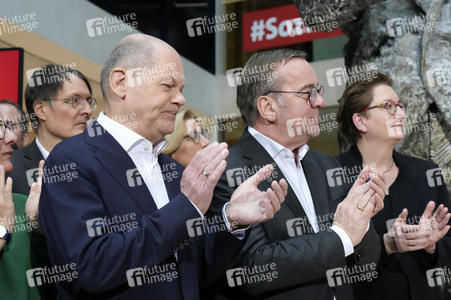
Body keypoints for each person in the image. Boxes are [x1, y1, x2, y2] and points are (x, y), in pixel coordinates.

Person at [38, 34, 288, 299]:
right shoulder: (70, 160)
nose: (180, 99)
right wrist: (187, 206)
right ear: (121, 82)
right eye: (167, 86)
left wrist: (231, 220)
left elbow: (192, 270)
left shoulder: (174, 171)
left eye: (181, 89)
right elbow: (92, 267)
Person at [207, 48, 386, 299]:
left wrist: (362, 221)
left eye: (318, 90)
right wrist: (342, 235)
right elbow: (253, 269)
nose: (320, 102)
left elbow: (364, 266)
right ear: (268, 107)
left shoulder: (328, 167)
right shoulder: (228, 170)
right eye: (307, 93)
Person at [336, 72, 451, 300]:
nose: (401, 114)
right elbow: (330, 255)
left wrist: (431, 245)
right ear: (360, 121)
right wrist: (386, 245)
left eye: (400, 106)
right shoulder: (333, 177)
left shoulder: (426, 172)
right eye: (388, 106)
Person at [9, 64, 96, 195]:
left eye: (89, 101)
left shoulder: (99, 164)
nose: (88, 110)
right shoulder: (11, 170)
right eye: (75, 100)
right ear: (41, 109)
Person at [0, 115, 45, 300]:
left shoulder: (20, 203)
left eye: (7, 127)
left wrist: (41, 225)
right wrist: (3, 228)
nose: (11, 137)